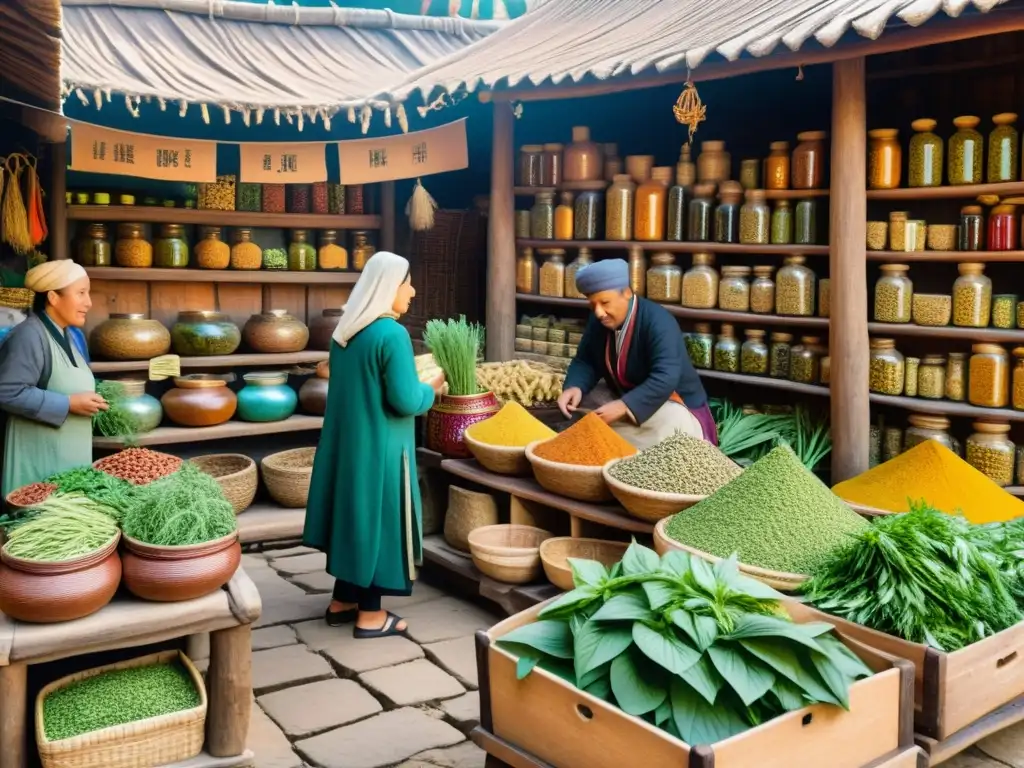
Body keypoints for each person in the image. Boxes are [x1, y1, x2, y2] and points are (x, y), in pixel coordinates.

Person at [303, 252, 445, 639]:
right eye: (407, 283)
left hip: (347, 446)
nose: (412, 292)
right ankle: (370, 615)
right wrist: (431, 390)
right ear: (388, 287)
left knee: (355, 518)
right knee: (381, 524)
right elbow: (404, 399)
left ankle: (342, 601)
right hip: (383, 448)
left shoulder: (346, 332)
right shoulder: (391, 334)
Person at [556, 258, 716, 449]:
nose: (599, 312)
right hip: (628, 398)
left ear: (627, 292)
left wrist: (625, 406)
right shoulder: (599, 321)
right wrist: (575, 386)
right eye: (593, 305)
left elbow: (665, 377)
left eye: (605, 302)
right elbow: (586, 360)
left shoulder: (659, 321)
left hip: (672, 404)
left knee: (671, 428)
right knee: (585, 402)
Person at [0, 260, 107, 496]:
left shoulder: (72, 335)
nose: (88, 302)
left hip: (68, 461)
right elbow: (7, 391)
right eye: (81, 293)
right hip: (38, 463)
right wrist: (69, 404)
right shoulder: (29, 335)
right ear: (53, 297)